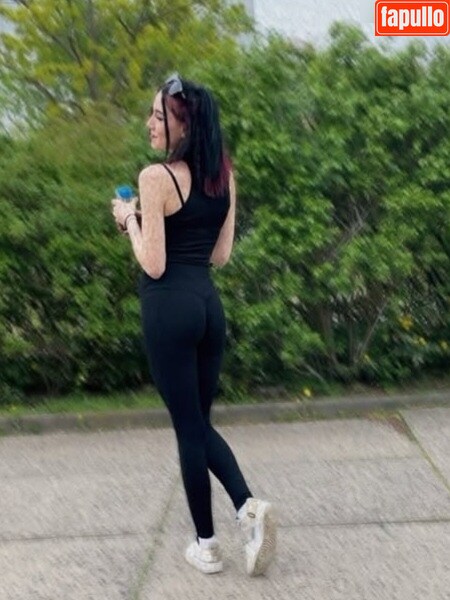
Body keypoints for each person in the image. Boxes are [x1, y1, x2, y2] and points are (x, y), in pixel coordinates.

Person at [111, 73, 276, 576]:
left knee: (189, 429)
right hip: (207, 307)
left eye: (158, 116)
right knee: (199, 425)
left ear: (183, 125)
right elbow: (220, 256)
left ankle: (227, 526)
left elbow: (154, 263)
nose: (150, 123)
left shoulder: (155, 178)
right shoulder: (223, 177)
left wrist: (130, 220)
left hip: (169, 310)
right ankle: (228, 525)